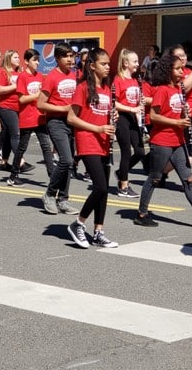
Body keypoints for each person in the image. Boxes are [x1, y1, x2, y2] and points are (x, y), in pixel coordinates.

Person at [133, 51, 192, 229]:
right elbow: (154, 115)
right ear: (168, 71)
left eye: (182, 68)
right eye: (178, 69)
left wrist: (184, 113)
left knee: (188, 179)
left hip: (178, 141)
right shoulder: (162, 90)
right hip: (162, 141)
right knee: (154, 178)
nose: (182, 71)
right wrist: (177, 121)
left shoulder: (178, 89)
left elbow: (175, 111)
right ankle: (141, 214)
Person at [66, 48, 120, 249]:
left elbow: (103, 114)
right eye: (103, 64)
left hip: (104, 141)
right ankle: (78, 223)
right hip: (87, 140)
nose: (108, 67)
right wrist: (97, 127)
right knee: (100, 187)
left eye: (108, 64)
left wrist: (114, 117)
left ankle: (98, 231)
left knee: (104, 192)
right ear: (92, 66)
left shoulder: (107, 89)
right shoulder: (82, 88)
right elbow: (71, 117)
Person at [37, 42, 80, 216]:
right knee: (66, 160)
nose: (70, 59)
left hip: (71, 122)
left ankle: (63, 199)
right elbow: (41, 104)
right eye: (66, 56)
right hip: (56, 122)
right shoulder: (51, 77)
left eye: (72, 56)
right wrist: (63, 109)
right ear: (57, 58)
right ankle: (49, 194)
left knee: (70, 165)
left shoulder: (74, 74)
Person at [6, 48, 55, 187]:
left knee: (46, 146)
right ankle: (13, 175)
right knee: (22, 147)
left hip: (39, 117)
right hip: (27, 117)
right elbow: (21, 99)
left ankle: (52, 177)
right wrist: (37, 95)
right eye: (34, 60)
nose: (37, 63)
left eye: (38, 60)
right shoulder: (23, 77)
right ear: (26, 61)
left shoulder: (40, 76)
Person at [112, 48, 146, 198]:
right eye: (135, 61)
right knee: (126, 151)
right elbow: (114, 103)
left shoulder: (135, 80)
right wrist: (132, 109)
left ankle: (121, 172)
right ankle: (123, 186)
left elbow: (136, 101)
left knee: (140, 152)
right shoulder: (118, 79)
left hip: (133, 118)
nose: (138, 64)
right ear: (126, 63)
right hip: (122, 118)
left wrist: (140, 105)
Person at [0, 49, 23, 174]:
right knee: (16, 134)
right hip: (6, 107)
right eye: (15, 57)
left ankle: (4, 161)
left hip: (19, 107)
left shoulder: (19, 72)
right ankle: (20, 161)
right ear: (9, 59)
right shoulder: (2, 72)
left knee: (7, 135)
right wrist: (16, 86)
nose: (18, 59)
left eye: (18, 57)